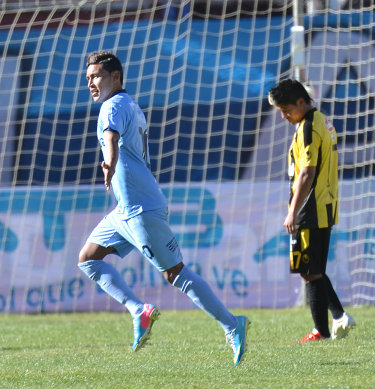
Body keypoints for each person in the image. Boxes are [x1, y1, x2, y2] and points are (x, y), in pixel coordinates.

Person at [80, 51, 249, 365]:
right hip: (125, 209)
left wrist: (108, 163)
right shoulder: (131, 105)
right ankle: (138, 310)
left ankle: (232, 324)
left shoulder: (112, 106)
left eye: (96, 76)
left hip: (140, 208)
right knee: (88, 259)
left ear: (115, 76)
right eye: (88, 78)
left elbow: (111, 138)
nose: (90, 83)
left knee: (175, 274)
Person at [268, 79, 355, 342]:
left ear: (301, 103)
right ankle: (326, 327)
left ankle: (335, 318)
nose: (283, 116)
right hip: (322, 204)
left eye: (286, 109)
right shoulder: (321, 121)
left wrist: (292, 211)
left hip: (311, 206)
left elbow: (306, 173)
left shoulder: (308, 127)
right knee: (310, 269)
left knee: (311, 270)